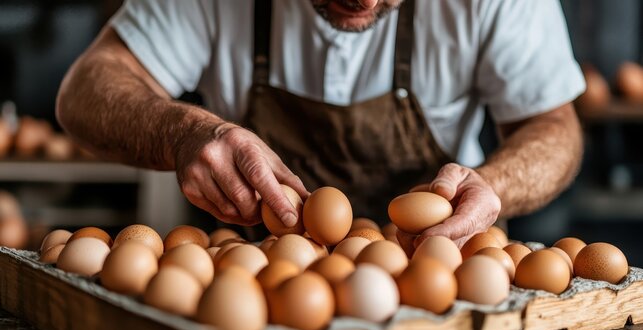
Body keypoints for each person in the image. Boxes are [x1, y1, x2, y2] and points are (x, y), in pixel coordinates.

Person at [56, 0, 584, 246]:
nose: (365, 0)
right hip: (260, 288)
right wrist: (184, 131)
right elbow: (84, 90)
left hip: (443, 283)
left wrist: (497, 184)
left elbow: (554, 124)